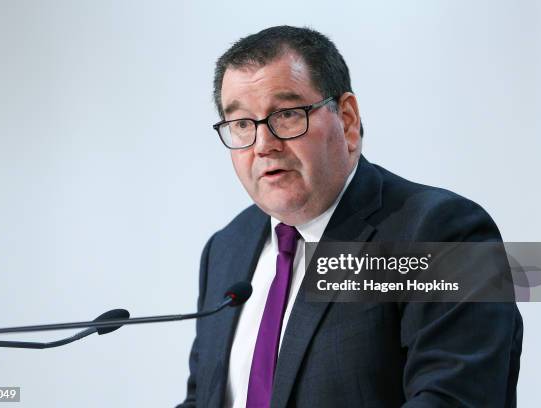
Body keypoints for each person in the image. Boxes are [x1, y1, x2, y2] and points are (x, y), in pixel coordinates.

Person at [178, 26, 522, 408]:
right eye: (242, 124)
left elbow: (453, 399)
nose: (263, 145)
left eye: (287, 115)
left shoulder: (442, 233)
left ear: (346, 119)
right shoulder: (226, 250)